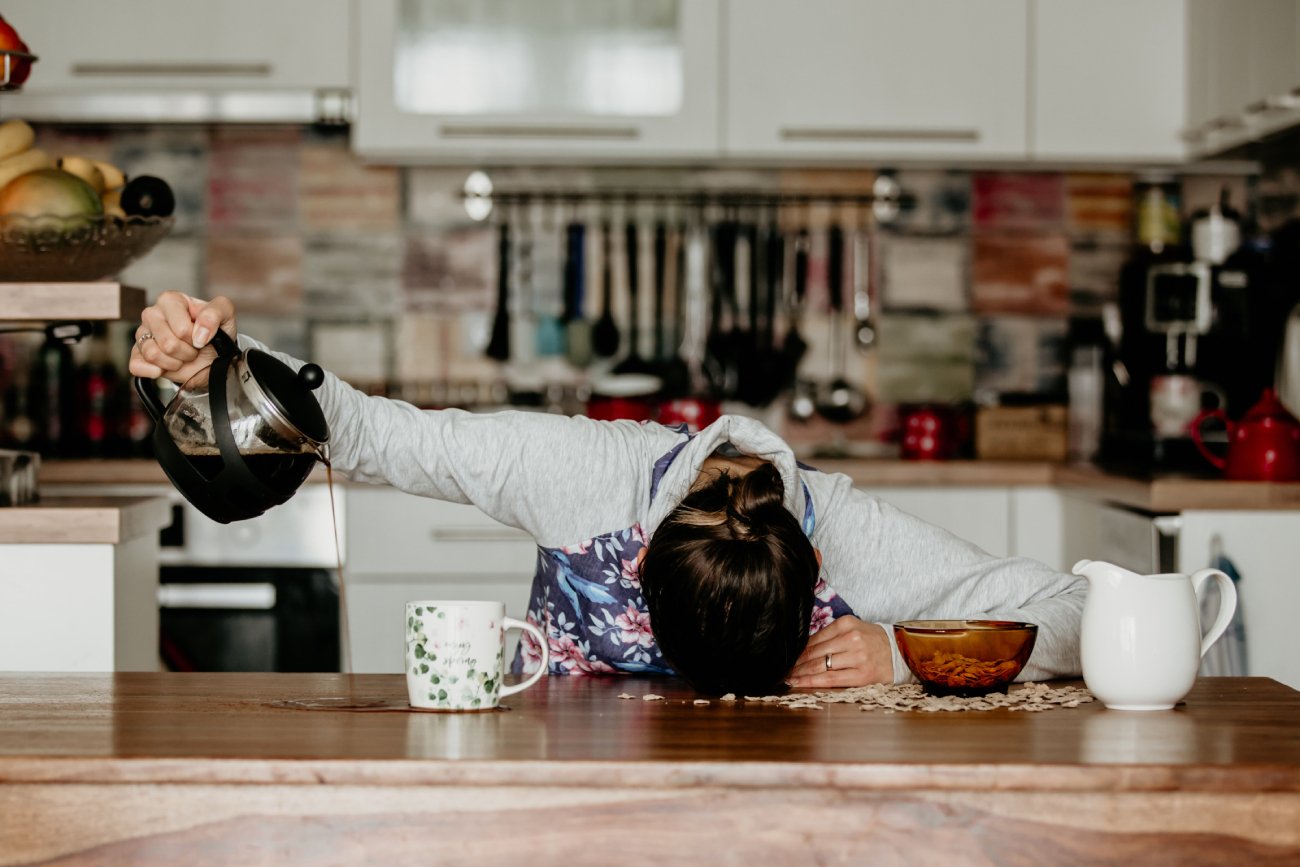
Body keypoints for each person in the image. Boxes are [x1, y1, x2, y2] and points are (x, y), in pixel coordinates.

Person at [130, 292, 1085, 696]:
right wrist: (211, 363)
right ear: (635, 553)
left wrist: (906, 653)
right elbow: (370, 429)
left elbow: (1079, 609)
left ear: (821, 567)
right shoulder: (582, 473)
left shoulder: (857, 533)